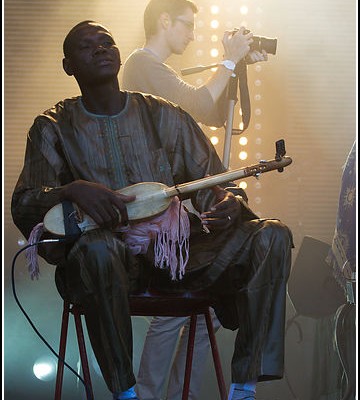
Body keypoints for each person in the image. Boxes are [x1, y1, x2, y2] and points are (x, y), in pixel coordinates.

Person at [11, 20, 293, 400]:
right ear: (67, 66)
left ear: (118, 53)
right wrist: (72, 190)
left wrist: (231, 202)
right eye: (86, 45)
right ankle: (126, 393)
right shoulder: (52, 127)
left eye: (106, 42)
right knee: (97, 249)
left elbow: (216, 182)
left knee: (272, 234)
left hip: (177, 259)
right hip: (107, 265)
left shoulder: (164, 114)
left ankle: (243, 389)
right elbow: (25, 201)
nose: (100, 49)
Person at [122, 1, 268, 398]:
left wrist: (236, 68)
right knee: (173, 309)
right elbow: (199, 104)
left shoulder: (160, 71)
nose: (191, 34)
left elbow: (217, 114)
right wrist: (226, 61)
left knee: (210, 312)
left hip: (178, 203)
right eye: (186, 25)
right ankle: (149, 395)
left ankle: (180, 393)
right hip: (158, 208)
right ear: (164, 20)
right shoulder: (141, 64)